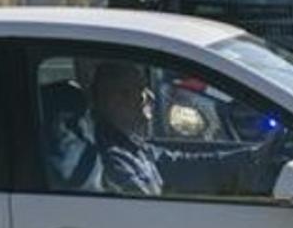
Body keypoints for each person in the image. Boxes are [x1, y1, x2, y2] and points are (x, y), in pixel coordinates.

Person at [90, 61, 274, 197]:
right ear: (112, 99)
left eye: (145, 88)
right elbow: (145, 213)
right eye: (138, 91)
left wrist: (252, 156)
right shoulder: (113, 160)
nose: (150, 97)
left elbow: (185, 163)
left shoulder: (135, 146)